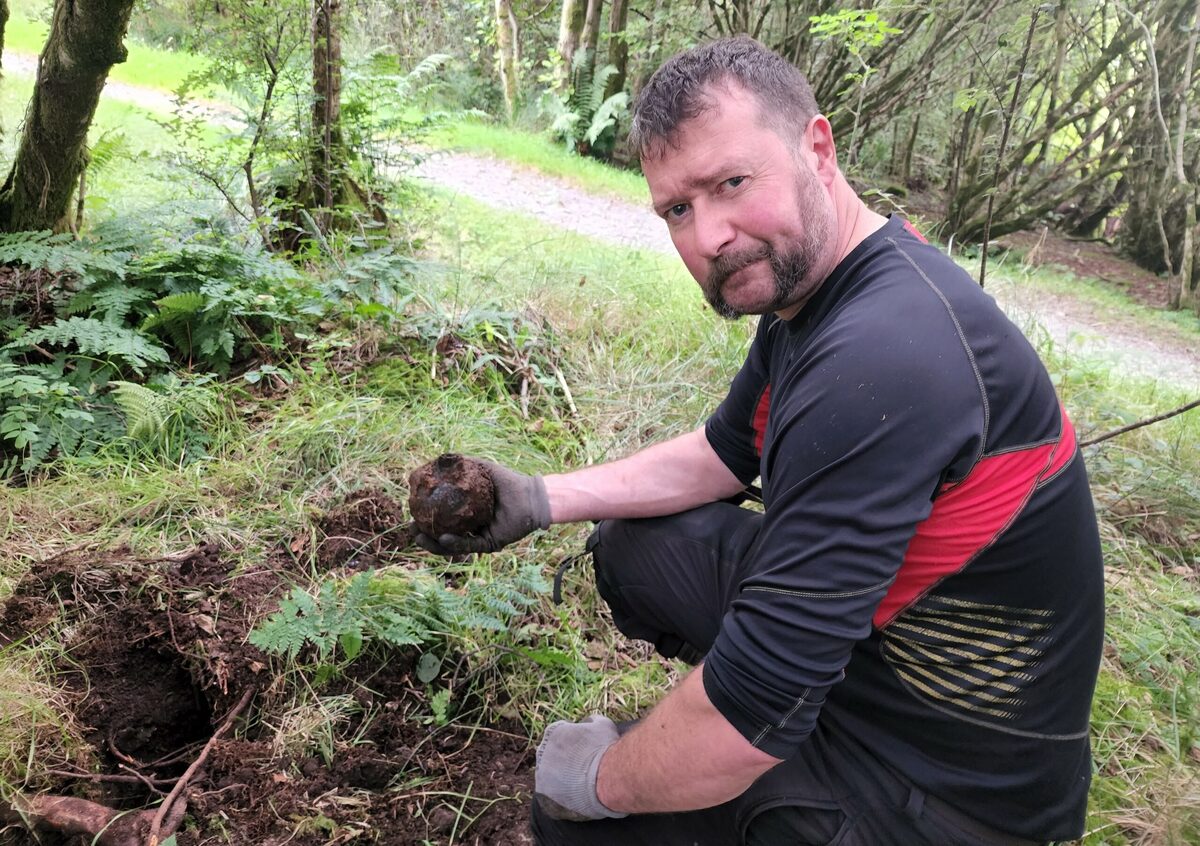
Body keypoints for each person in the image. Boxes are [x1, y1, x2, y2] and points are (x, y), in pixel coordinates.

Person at [417, 36, 1104, 846]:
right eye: (678, 208)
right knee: (634, 548)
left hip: (951, 790)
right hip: (878, 661)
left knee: (578, 828)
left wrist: (594, 782)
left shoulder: (886, 356)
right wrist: (537, 497)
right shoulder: (825, 296)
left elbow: (755, 702)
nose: (708, 236)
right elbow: (719, 457)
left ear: (817, 148)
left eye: (732, 183)